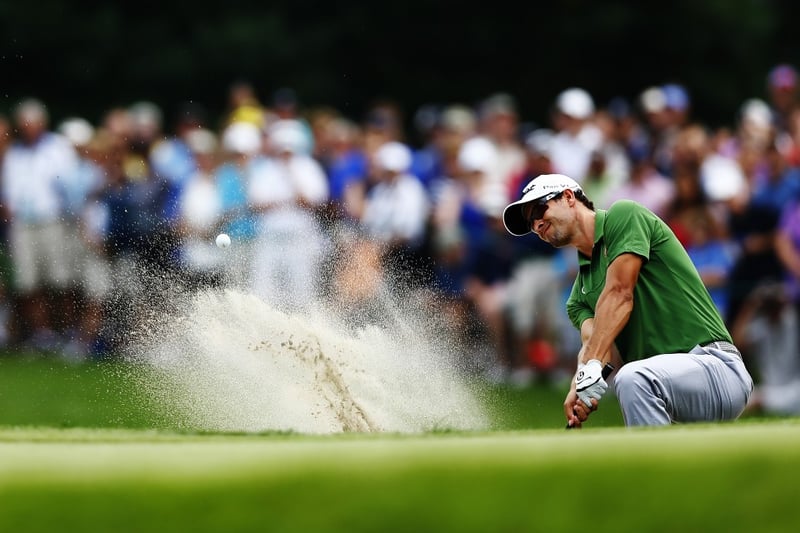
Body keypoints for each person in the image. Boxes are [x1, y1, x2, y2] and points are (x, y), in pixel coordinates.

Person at [501, 173, 754, 427]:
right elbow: (593, 342)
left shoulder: (624, 215)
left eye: (539, 209)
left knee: (631, 378)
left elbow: (620, 293)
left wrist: (591, 368)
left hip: (716, 366)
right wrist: (579, 385)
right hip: (666, 387)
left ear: (568, 197)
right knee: (635, 382)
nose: (536, 224)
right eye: (529, 223)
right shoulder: (578, 296)